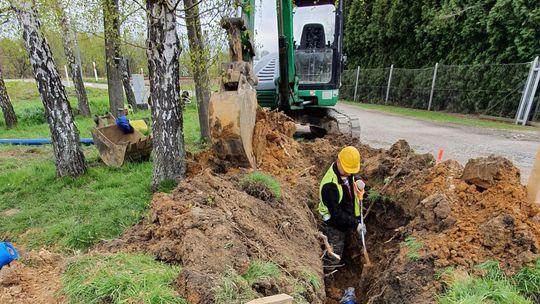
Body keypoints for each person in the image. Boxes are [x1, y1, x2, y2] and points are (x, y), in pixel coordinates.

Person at [318, 146, 365, 272]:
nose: (349, 174)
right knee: (334, 256)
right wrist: (355, 224)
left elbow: (354, 175)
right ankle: (329, 277)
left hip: (348, 216)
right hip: (335, 224)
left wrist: (359, 181)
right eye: (346, 170)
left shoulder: (346, 171)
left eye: (351, 171)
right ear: (338, 161)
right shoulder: (329, 186)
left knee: (351, 243)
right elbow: (336, 214)